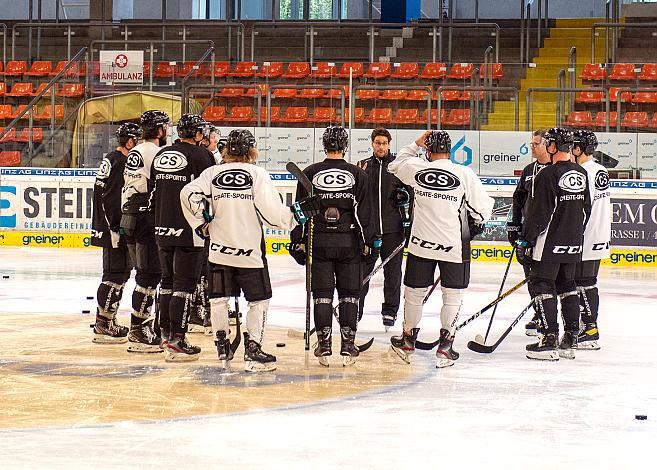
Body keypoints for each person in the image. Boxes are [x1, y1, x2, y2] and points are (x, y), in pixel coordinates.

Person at [180, 129, 320, 371]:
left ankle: (222, 345)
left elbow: (187, 193)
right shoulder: (257, 174)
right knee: (259, 300)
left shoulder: (212, 173)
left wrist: (201, 222)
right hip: (249, 253)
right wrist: (297, 214)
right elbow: (274, 216)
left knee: (219, 299)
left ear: (226, 150)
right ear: (251, 151)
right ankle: (253, 349)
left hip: (218, 251)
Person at [388, 130, 494, 368]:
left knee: (414, 293)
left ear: (428, 150)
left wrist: (415, 143)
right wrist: (473, 227)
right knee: (452, 295)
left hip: (420, 244)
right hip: (453, 245)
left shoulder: (418, 168)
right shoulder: (464, 172)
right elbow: (483, 210)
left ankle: (408, 340)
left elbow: (395, 165)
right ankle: (446, 346)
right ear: (450, 150)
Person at [289, 126, 377, 367]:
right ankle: (348, 345)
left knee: (323, 296)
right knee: (350, 295)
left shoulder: (310, 173)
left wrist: (297, 241)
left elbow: (301, 213)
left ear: (324, 145)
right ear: (345, 146)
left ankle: (324, 344)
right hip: (349, 244)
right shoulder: (358, 175)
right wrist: (370, 242)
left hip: (319, 244)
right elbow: (364, 214)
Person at [517, 127, 591, 361]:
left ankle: (549, 339)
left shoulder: (547, 175)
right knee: (567, 285)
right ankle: (570, 339)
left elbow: (540, 214)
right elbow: (586, 210)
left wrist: (526, 239)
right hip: (573, 242)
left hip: (548, 243)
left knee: (542, 285)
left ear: (552, 146)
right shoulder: (581, 172)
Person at [150, 114, 215, 362]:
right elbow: (210, 193)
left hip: (161, 227)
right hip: (190, 231)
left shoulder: (161, 154)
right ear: (197, 134)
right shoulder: (202, 156)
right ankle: (178, 339)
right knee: (184, 287)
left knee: (166, 282)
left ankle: (165, 334)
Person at [120, 110, 170, 352]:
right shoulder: (157, 152)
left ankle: (142, 326)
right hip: (146, 218)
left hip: (129, 216)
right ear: (159, 131)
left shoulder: (136, 150)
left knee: (144, 275)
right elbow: (161, 186)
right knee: (149, 276)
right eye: (165, 127)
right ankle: (138, 330)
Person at [90, 123, 141, 344]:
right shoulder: (121, 162)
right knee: (115, 275)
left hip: (108, 226)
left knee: (118, 274)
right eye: (138, 140)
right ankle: (103, 323)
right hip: (112, 228)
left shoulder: (111, 159)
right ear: (130, 142)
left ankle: (106, 321)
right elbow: (111, 199)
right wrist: (116, 226)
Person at [356, 127, 411, 330]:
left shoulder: (398, 166)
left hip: (393, 231)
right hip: (368, 232)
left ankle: (390, 312)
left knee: (393, 274)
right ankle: (356, 311)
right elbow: (355, 198)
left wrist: (405, 201)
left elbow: (411, 194)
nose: (381, 146)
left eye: (384, 143)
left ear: (389, 144)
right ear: (372, 144)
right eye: (377, 143)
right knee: (362, 273)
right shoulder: (363, 167)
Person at [507, 129, 551, 336]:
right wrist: (514, 227)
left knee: (548, 279)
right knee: (531, 277)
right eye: (532, 143)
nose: (532, 147)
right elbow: (518, 200)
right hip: (528, 233)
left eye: (536, 143)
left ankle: (551, 316)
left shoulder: (556, 170)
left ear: (548, 145)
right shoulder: (528, 170)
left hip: (549, 235)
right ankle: (539, 312)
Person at [571, 129, 610, 350]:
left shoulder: (582, 172)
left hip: (586, 236)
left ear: (578, 149)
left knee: (583, 283)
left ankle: (591, 329)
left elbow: (581, 209)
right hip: (599, 235)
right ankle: (585, 325)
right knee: (585, 282)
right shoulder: (599, 169)